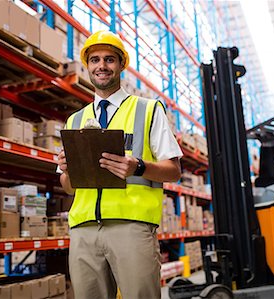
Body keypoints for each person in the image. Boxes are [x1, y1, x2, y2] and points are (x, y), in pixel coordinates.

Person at [57, 30, 183, 299]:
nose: (101, 66)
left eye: (109, 59)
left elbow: (173, 170)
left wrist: (137, 167)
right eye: (94, 60)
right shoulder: (74, 121)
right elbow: (68, 188)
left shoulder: (148, 110)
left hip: (131, 227)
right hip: (84, 230)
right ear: (87, 66)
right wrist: (68, 171)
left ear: (121, 65)